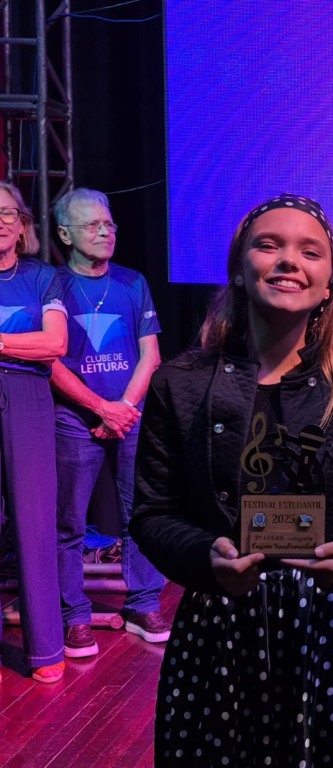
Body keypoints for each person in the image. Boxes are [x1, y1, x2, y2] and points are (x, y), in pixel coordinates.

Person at [129, 194, 333, 766]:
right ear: (239, 268)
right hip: (219, 625)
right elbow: (152, 514)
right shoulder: (179, 385)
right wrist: (203, 558)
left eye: (309, 251)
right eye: (270, 245)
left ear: (330, 281)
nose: (290, 261)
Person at [50, 187, 168, 658]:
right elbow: (51, 360)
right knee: (68, 521)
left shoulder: (133, 282)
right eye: (92, 224)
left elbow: (151, 354)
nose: (105, 231)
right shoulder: (49, 284)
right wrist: (101, 409)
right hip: (74, 419)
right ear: (65, 234)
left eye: (109, 223)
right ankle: (74, 614)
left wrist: (123, 409)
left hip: (131, 415)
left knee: (139, 513)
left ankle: (142, 603)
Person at [0, 181, 68, 683]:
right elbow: (35, 340)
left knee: (35, 522)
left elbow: (54, 344)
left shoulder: (43, 277)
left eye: (8, 213)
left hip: (27, 402)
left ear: (22, 224)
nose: (1, 221)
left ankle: (45, 649)